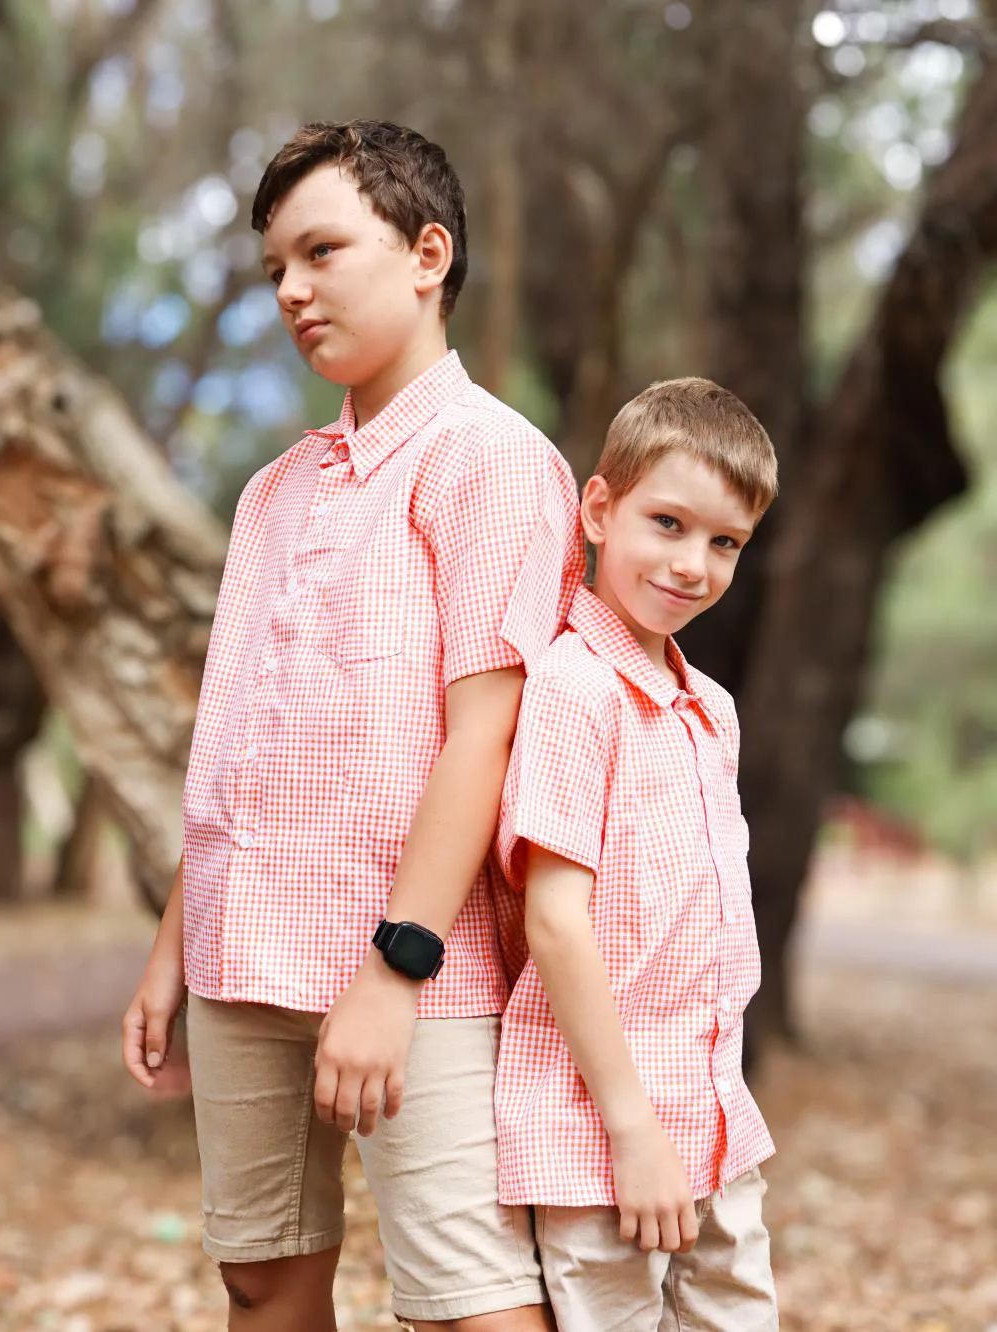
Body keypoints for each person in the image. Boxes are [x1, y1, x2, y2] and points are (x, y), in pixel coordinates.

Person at [121, 119, 584, 1331]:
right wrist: (176, 949)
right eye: (275, 266)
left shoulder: (493, 462)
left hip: (415, 967)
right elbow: (240, 743)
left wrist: (394, 970)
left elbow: (485, 738)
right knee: (261, 1277)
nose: (290, 289)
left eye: (321, 251)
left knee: (469, 1304)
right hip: (242, 953)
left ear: (427, 254)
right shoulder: (271, 492)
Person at [493, 378, 780, 1331]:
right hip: (602, 1132)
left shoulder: (711, 711)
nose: (693, 564)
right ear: (599, 510)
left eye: (725, 542)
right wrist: (632, 1129)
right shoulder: (576, 688)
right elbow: (554, 919)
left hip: (715, 1121)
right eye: (668, 524)